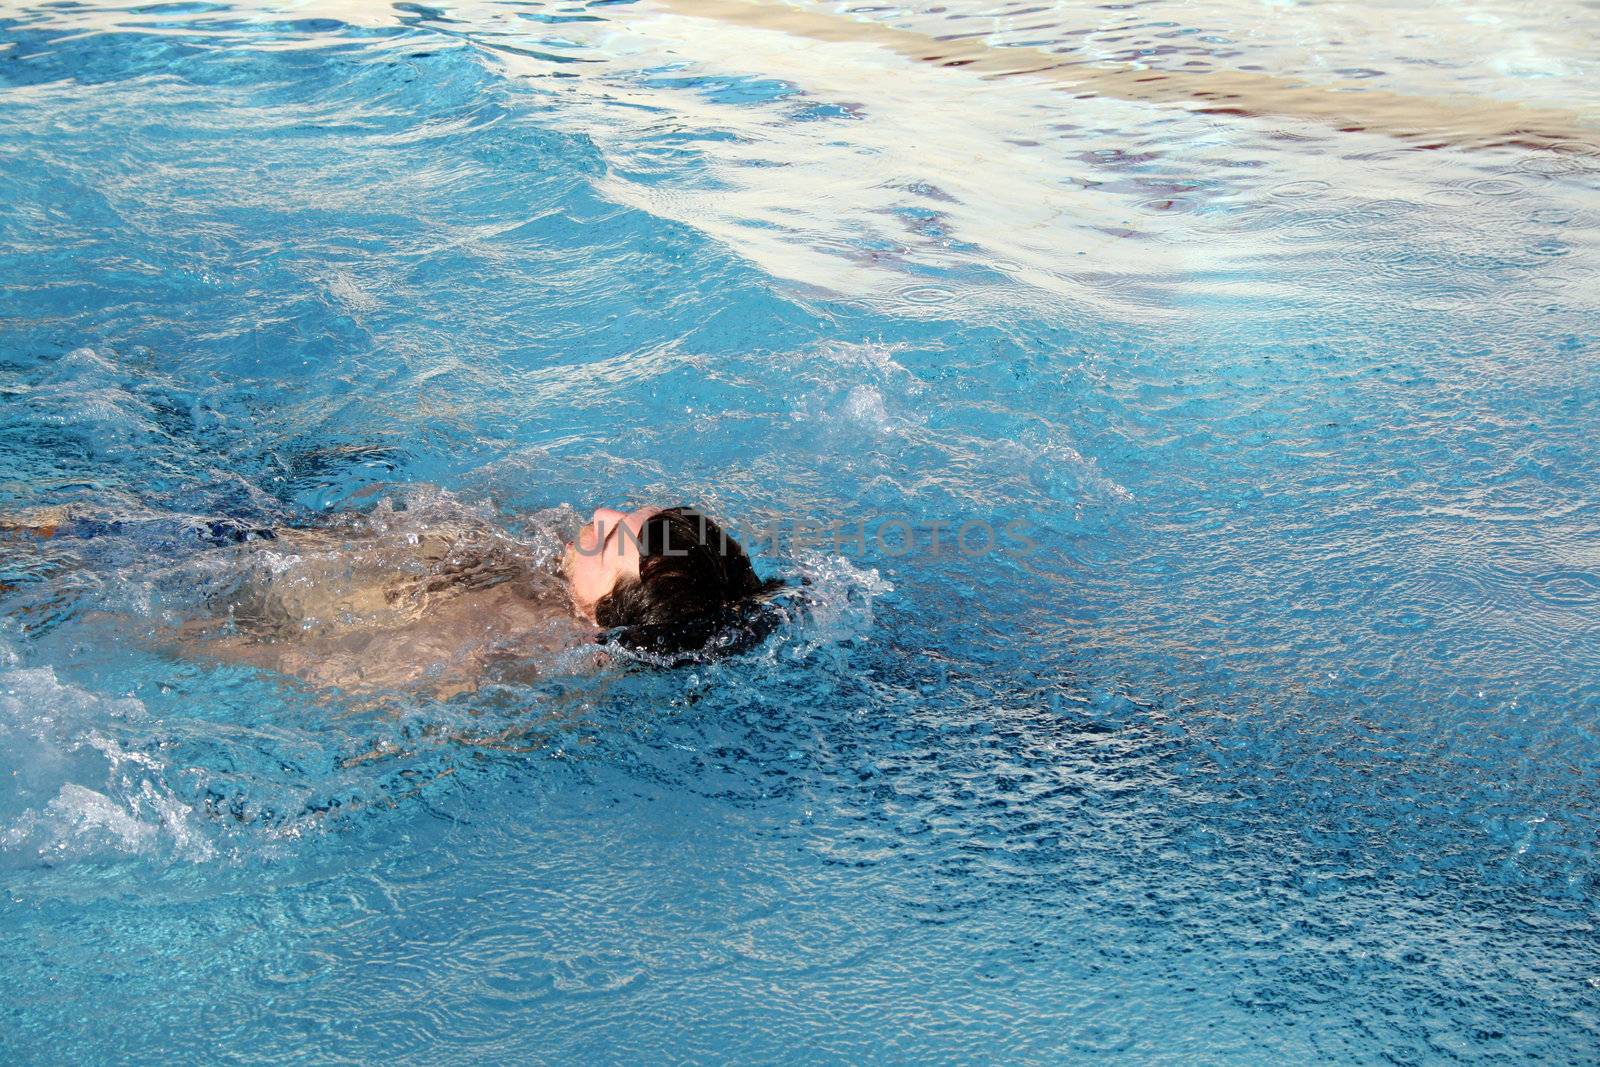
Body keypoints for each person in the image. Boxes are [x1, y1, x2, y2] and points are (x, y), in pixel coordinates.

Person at [0, 499, 780, 697]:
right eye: (625, 513)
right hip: (262, 538)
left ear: (605, 614)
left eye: (607, 542)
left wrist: (168, 639)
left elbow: (332, 672)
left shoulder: (515, 632)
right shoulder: (550, 584)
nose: (601, 514)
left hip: (203, 577)